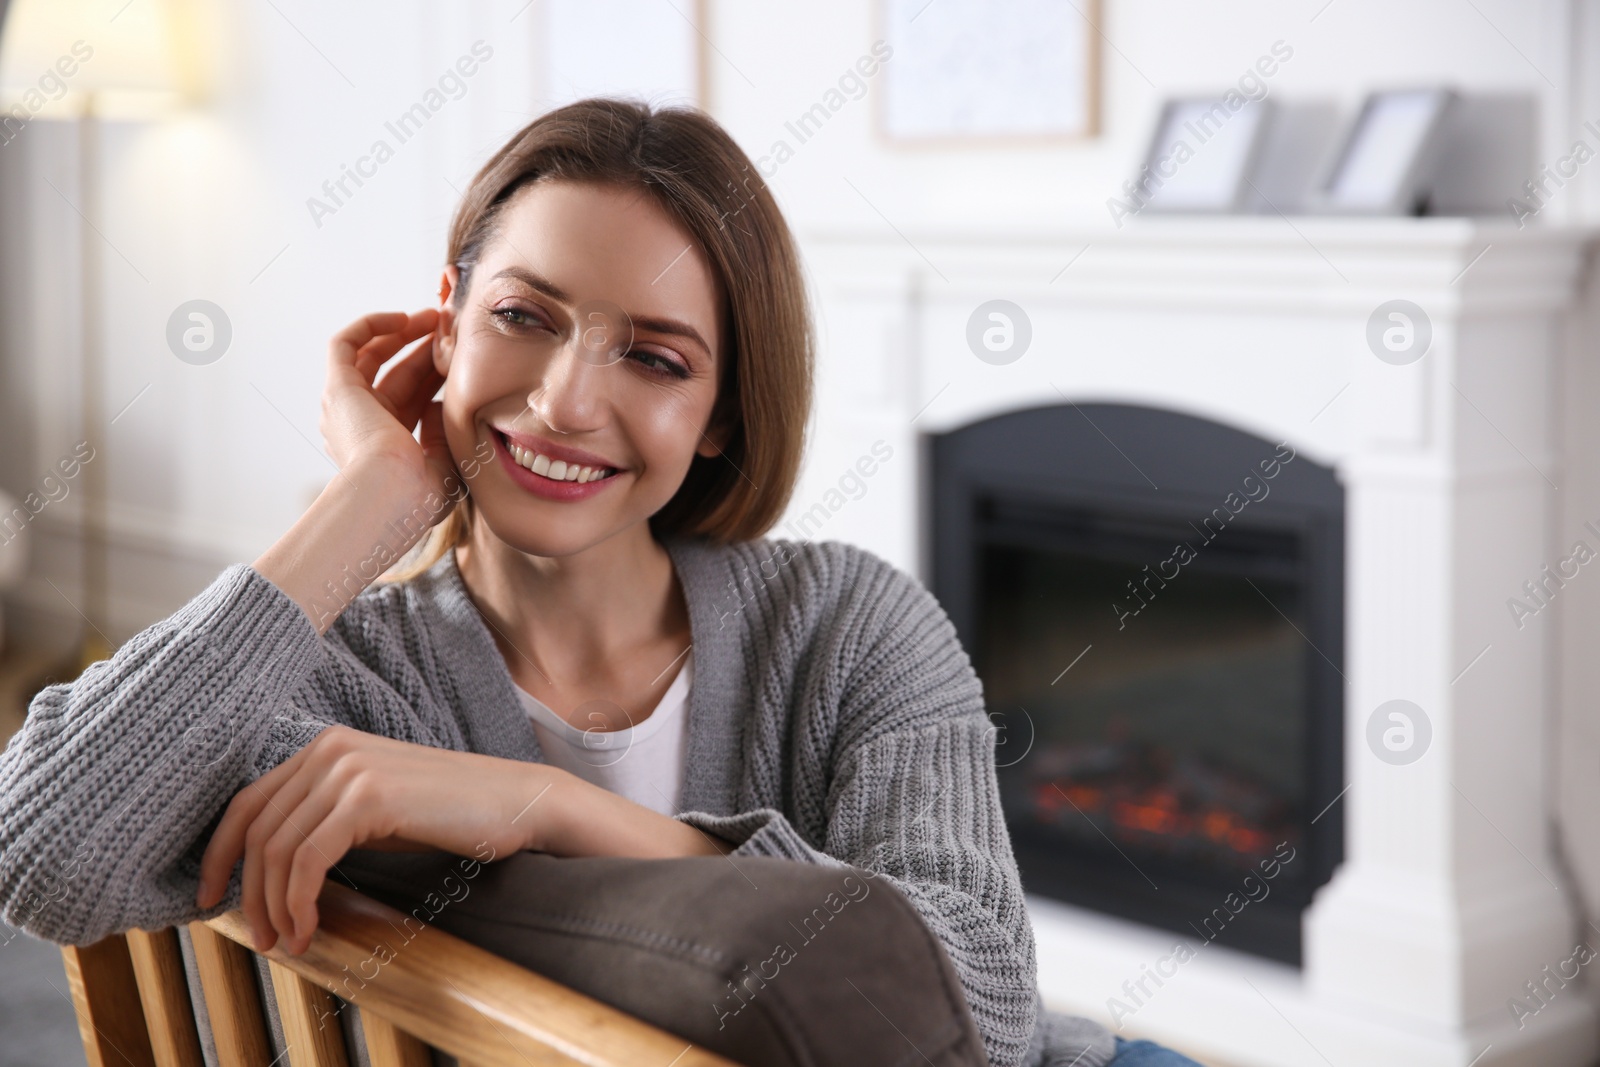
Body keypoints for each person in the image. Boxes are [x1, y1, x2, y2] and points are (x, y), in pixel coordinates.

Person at [0, 97, 1202, 1067]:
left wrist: (551, 809)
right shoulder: (342, 682)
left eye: (653, 355)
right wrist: (364, 505)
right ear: (446, 326)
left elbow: (982, 1019)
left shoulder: (851, 620)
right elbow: (39, 847)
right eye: (523, 315)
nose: (569, 399)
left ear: (721, 413)